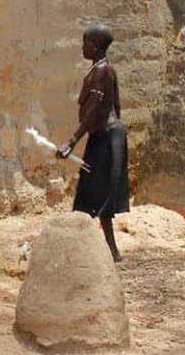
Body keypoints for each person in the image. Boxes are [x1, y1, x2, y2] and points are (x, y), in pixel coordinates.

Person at [57, 24, 130, 262]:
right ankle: (99, 249)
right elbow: (115, 106)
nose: (82, 47)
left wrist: (72, 141)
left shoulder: (102, 71)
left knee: (98, 195)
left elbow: (95, 112)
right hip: (105, 136)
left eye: (85, 43)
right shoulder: (102, 70)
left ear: (95, 46)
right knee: (90, 193)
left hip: (106, 137)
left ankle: (110, 251)